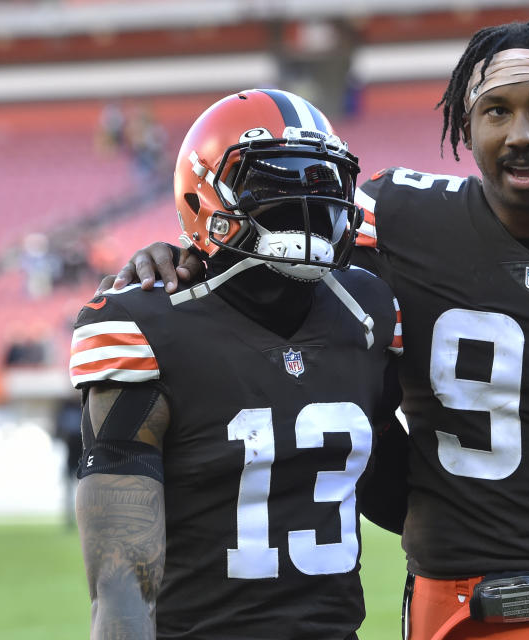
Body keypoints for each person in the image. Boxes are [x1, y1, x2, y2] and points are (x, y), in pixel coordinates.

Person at [104, 22, 529, 640]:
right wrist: (185, 258)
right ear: (463, 129)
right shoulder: (394, 223)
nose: (521, 133)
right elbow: (274, 285)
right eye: (495, 111)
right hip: (451, 606)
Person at [71, 89, 404, 639]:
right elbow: (119, 583)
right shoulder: (146, 324)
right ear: (203, 193)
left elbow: (404, 497)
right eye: (276, 183)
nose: (306, 202)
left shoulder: (366, 309)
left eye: (322, 183)